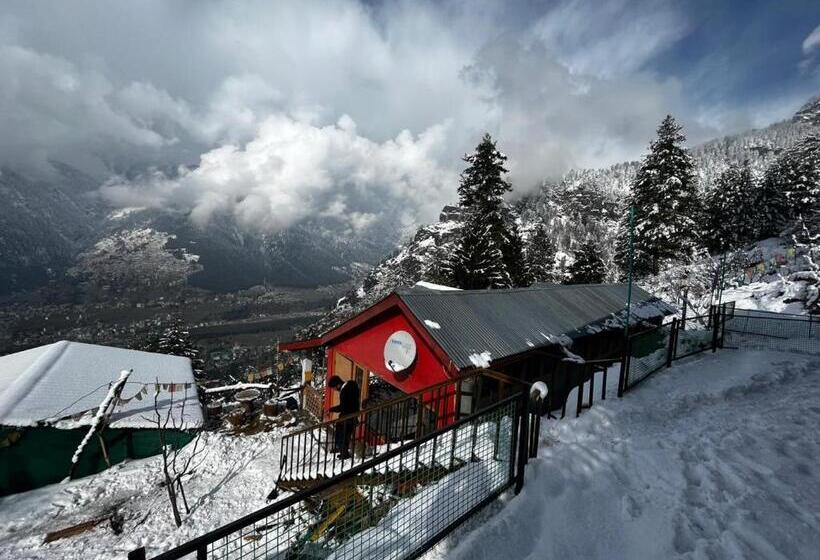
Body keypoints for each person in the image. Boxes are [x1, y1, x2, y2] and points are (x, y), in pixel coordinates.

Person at [328, 375, 360, 459]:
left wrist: (332, 409)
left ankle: (344, 453)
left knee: (342, 436)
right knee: (344, 435)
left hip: (347, 417)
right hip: (351, 416)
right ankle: (341, 449)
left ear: (337, 385)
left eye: (334, 388)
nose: (334, 390)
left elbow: (343, 406)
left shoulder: (345, 390)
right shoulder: (350, 387)